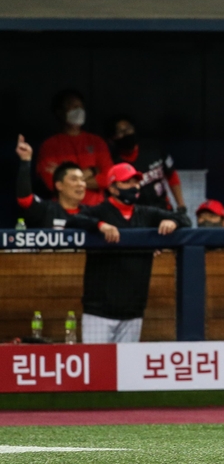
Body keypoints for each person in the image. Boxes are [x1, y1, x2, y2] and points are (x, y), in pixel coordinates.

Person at [79, 163, 188, 343]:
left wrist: (173, 222)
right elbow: (73, 221)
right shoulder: (99, 212)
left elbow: (184, 218)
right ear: (113, 188)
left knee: (126, 368)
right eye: (127, 182)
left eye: (136, 182)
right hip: (98, 312)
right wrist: (100, 225)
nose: (134, 186)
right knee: (97, 367)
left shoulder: (146, 214)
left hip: (133, 311)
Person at [14, 135, 119, 241]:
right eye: (74, 179)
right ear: (59, 185)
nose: (81, 184)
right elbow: (24, 200)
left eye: (82, 180)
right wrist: (25, 161)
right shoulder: (46, 210)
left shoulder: (92, 213)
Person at [37, 89, 113, 206]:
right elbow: (52, 183)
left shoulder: (96, 142)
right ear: (59, 112)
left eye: (81, 107)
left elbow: (108, 179)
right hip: (63, 211)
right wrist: (92, 170)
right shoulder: (49, 146)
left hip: (97, 210)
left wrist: (68, 180)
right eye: (73, 106)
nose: (78, 111)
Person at [107, 115, 186, 213]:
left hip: (163, 209)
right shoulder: (113, 162)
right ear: (112, 138)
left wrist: (181, 205)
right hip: (137, 215)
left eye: (128, 129)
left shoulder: (153, 149)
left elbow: (171, 175)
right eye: (120, 132)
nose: (126, 133)